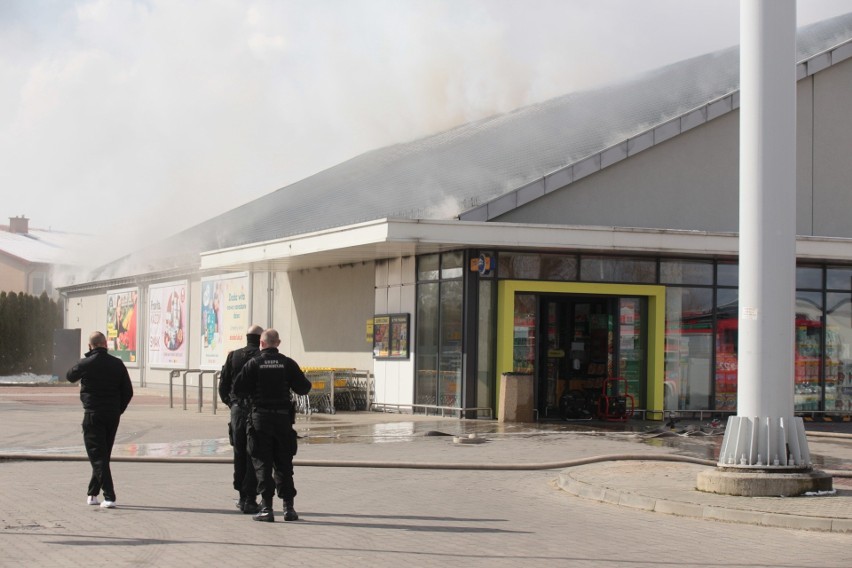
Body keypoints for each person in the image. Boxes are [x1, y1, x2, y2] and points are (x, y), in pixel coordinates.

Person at [233, 328, 311, 522]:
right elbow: (304, 387)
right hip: (283, 420)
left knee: (262, 464)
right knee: (284, 463)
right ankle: (289, 508)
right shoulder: (287, 363)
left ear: (261, 343)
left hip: (260, 420)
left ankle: (267, 508)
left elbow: (238, 388)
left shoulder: (254, 364)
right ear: (278, 342)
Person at [66, 331, 133, 508]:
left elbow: (70, 376)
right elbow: (128, 391)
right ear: (106, 344)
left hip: (93, 414)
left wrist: (85, 360)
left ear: (90, 346)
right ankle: (93, 494)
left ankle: (109, 496)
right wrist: (118, 410)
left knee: (97, 456)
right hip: (112, 415)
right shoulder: (117, 364)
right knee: (103, 455)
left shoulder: (86, 363)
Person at [218, 324, 264, 514]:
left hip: (237, 411)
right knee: (254, 453)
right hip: (255, 411)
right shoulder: (262, 358)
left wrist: (232, 403)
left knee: (239, 453)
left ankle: (242, 496)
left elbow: (223, 385)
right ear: (260, 339)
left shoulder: (233, 356)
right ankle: (250, 498)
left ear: (246, 337)